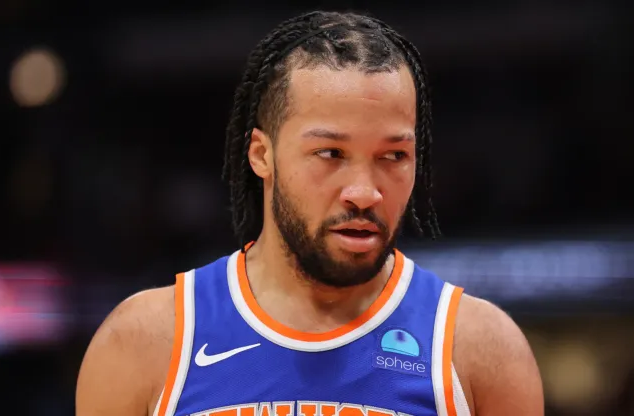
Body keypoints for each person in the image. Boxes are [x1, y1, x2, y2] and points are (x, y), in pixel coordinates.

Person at [76, 10, 543, 416]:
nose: (365, 193)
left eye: (393, 156)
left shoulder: (484, 352)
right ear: (261, 155)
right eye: (331, 153)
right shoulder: (142, 342)